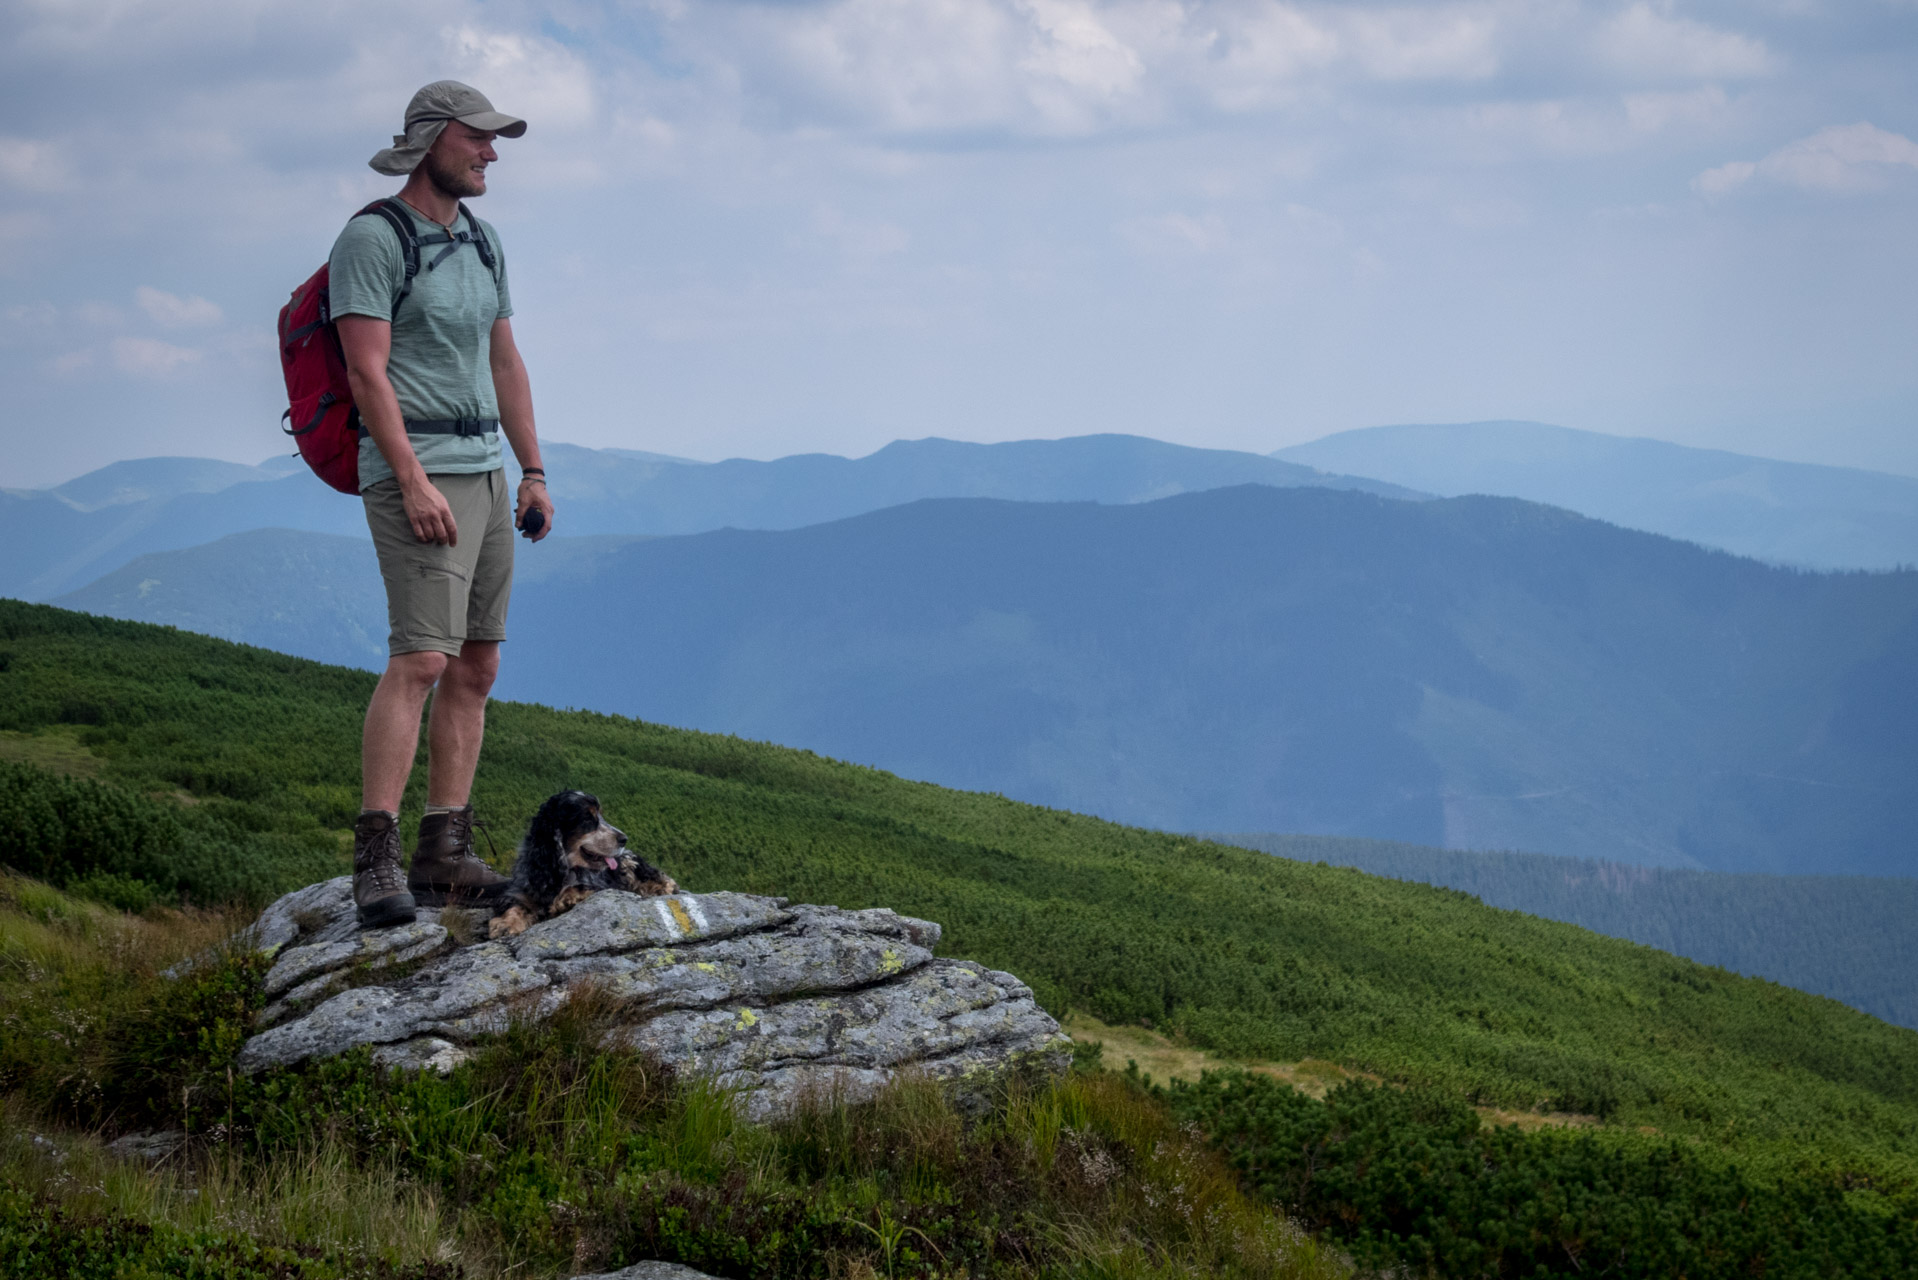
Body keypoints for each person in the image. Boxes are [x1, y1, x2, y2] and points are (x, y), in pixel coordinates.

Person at [332, 81, 555, 928]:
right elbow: (365, 371)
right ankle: (377, 861)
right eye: (478, 139)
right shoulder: (373, 238)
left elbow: (505, 361)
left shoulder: (483, 241)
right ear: (432, 142)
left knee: (477, 664)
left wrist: (531, 469)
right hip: (415, 468)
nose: (492, 153)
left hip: (486, 469)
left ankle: (443, 852)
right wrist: (413, 479)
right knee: (421, 658)